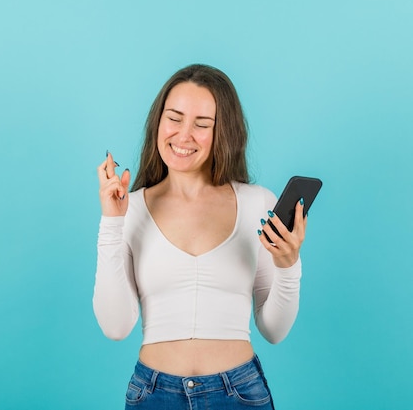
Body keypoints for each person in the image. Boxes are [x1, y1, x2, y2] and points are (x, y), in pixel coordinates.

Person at [93, 64, 306, 409]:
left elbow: (274, 330)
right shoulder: (128, 209)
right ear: (158, 122)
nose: (183, 134)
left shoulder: (257, 204)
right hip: (153, 395)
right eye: (174, 118)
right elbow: (115, 326)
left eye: (202, 124)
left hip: (239, 394)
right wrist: (111, 224)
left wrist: (288, 266)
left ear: (224, 132)